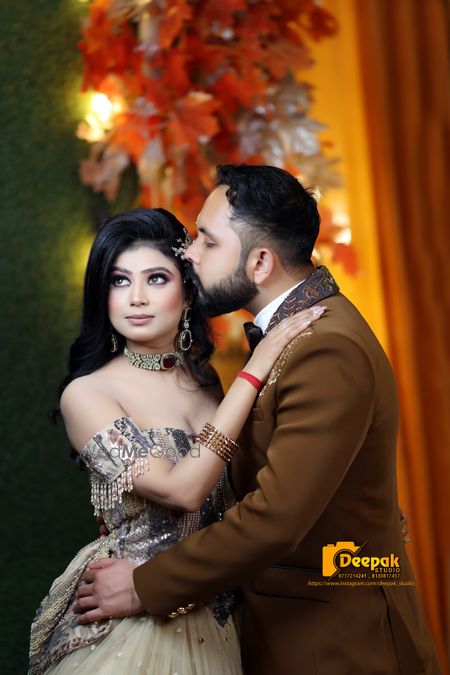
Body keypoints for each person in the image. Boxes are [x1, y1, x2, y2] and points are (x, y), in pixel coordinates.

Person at [76, 166, 441, 675]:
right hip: (274, 627)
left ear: (261, 262)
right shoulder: (291, 338)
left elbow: (274, 519)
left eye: (208, 241)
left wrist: (143, 585)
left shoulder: (324, 347)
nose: (190, 254)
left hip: (334, 643)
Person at [28, 206, 323, 674]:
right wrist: (254, 370)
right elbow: (181, 490)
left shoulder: (207, 386)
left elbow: (258, 494)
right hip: (130, 624)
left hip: (219, 618)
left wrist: (339, 508)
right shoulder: (87, 394)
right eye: (119, 281)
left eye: (156, 279)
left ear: (188, 293)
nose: (136, 298)